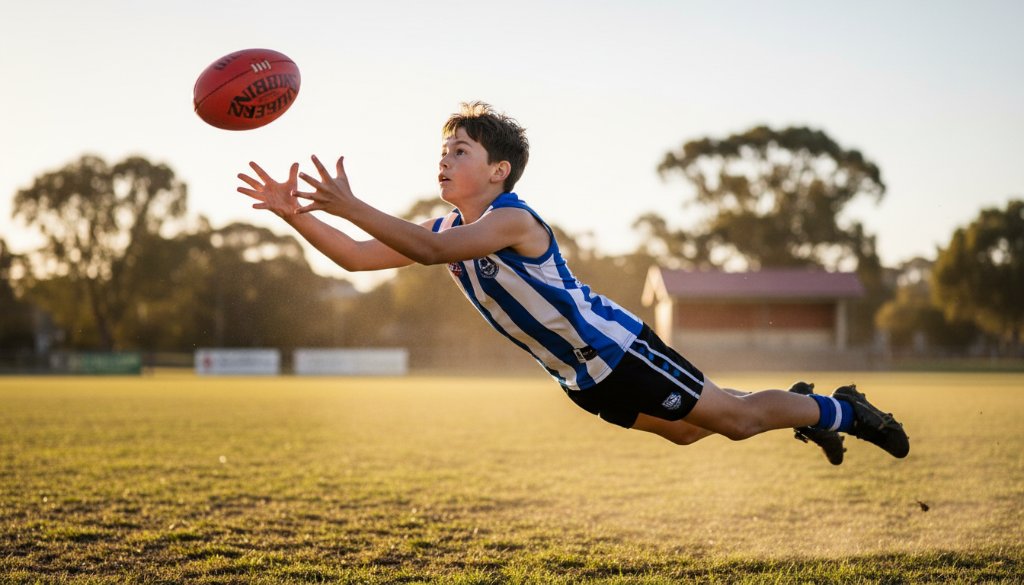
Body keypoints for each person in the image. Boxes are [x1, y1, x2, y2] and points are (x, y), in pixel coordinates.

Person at [236, 101, 909, 464]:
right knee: (691, 432)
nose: (445, 160)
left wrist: (350, 202)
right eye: (442, 151)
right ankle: (798, 405)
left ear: (499, 170)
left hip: (618, 348)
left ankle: (845, 410)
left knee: (736, 419)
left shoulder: (511, 221)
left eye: (460, 151)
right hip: (580, 377)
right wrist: (297, 215)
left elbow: (418, 247)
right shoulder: (446, 224)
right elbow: (357, 258)